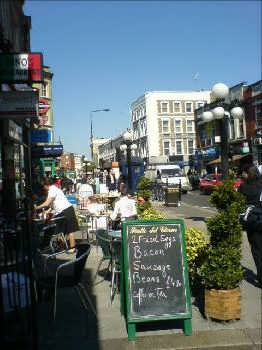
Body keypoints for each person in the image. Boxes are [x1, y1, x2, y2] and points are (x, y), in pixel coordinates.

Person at [34, 177, 79, 252]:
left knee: (70, 230)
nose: (43, 189)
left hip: (66, 210)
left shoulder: (52, 190)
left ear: (46, 185)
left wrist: (36, 208)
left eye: (43, 187)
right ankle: (61, 245)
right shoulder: (54, 189)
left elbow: (47, 203)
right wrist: (46, 212)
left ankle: (72, 248)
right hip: (64, 210)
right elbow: (52, 205)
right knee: (62, 230)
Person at [239, 165, 262, 287]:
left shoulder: (244, 187)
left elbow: (238, 202)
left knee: (257, 250)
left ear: (249, 174)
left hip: (252, 222)